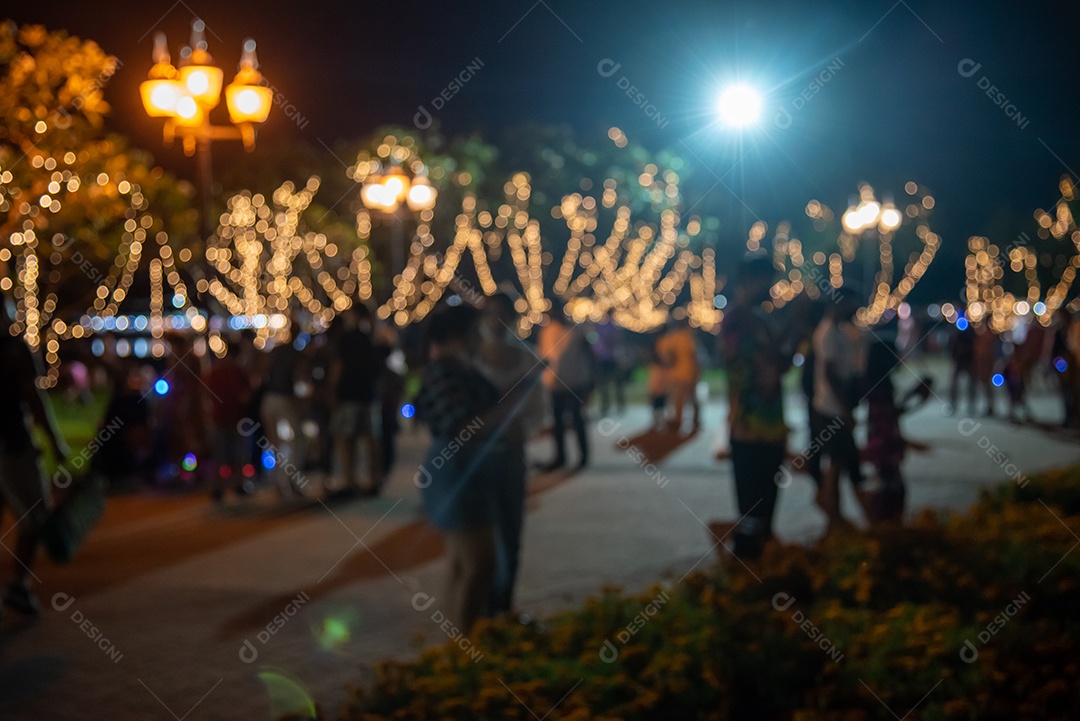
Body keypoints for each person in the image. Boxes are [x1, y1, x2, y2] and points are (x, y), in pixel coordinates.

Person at [414, 304, 531, 632]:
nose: (481, 337)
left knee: (462, 566)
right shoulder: (443, 372)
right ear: (457, 336)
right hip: (456, 472)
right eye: (475, 331)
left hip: (467, 472)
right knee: (479, 566)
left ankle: (456, 645)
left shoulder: (457, 369)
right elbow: (463, 426)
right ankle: (464, 647)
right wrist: (512, 402)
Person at [718, 255, 805, 559]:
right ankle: (744, 564)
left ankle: (762, 562)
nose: (771, 288)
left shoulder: (764, 320)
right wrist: (792, 321)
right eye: (766, 281)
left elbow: (780, 365)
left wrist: (798, 333)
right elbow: (759, 359)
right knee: (751, 509)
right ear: (748, 282)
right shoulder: (736, 320)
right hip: (747, 426)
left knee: (768, 506)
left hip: (771, 426)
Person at [474, 292, 543, 616]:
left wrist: (523, 429)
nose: (496, 323)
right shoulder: (472, 361)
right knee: (480, 540)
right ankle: (482, 611)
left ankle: (503, 607)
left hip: (512, 455)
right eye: (490, 315)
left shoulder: (526, 358)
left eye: (503, 315)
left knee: (510, 537)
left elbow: (537, 412)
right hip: (475, 461)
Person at [0, 293, 68, 618]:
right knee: (35, 516)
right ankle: (18, 585)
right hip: (13, 445)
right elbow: (34, 398)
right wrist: (55, 443)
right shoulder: (14, 348)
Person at [812, 288, 867, 531]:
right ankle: (833, 516)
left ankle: (835, 513)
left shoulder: (840, 331)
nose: (854, 310)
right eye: (850, 304)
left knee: (839, 461)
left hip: (836, 406)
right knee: (835, 464)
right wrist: (845, 409)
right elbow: (830, 373)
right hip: (831, 407)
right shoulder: (828, 333)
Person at [862, 337, 932, 526]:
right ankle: (888, 527)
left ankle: (887, 527)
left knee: (890, 488)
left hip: (882, 444)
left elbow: (891, 412)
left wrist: (915, 396)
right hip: (884, 445)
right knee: (891, 491)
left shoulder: (876, 383)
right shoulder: (880, 387)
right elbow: (889, 414)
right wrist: (916, 397)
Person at [329, 304, 387, 497]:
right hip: (369, 395)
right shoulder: (372, 338)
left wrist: (332, 391)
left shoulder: (346, 339)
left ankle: (350, 480)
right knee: (371, 439)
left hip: (349, 394)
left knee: (347, 438)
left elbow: (338, 366)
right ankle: (374, 479)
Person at [538, 303, 592, 471]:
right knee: (558, 423)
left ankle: (583, 458)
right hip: (555, 384)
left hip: (575, 383)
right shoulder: (546, 332)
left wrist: (590, 380)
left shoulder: (576, 331)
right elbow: (544, 357)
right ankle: (560, 457)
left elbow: (589, 355)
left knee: (577, 419)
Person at [204, 340, 254, 500]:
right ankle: (237, 485)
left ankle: (218, 488)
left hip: (219, 418)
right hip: (236, 418)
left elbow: (206, 394)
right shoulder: (239, 372)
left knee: (220, 456)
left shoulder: (215, 371)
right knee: (239, 454)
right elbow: (245, 396)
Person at [260, 339, 306, 496]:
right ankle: (290, 480)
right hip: (284, 398)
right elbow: (298, 378)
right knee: (297, 440)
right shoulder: (295, 354)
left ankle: (276, 482)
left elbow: (263, 372)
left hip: (269, 399)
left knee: (274, 442)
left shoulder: (276, 352)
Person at [657, 317, 701, 433]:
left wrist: (670, 363)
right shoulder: (688, 337)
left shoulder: (674, 337)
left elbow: (666, 354)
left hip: (678, 373)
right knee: (691, 398)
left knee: (679, 400)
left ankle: (679, 421)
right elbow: (694, 355)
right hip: (688, 372)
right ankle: (695, 421)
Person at [645, 345, 669, 430]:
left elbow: (665, 380)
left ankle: (661, 422)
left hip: (662, 391)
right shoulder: (654, 368)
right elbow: (652, 381)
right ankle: (656, 422)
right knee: (656, 408)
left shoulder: (664, 369)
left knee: (661, 408)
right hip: (655, 391)